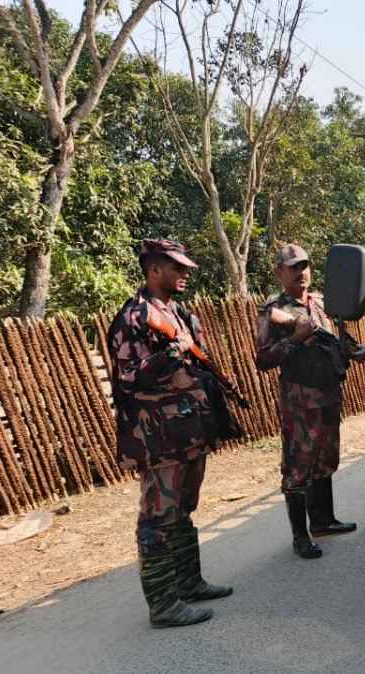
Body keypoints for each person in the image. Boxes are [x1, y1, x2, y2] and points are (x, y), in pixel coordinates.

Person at [107, 239, 233, 628]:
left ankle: (189, 584)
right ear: (154, 269)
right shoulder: (134, 317)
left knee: (182, 510)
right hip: (158, 437)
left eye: (185, 268)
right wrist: (174, 351)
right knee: (157, 517)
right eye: (176, 267)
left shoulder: (178, 313)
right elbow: (129, 380)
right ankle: (163, 605)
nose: (184, 274)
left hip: (187, 430)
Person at [255, 244, 357, 560]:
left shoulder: (322, 303)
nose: (301, 272)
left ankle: (323, 521)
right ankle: (300, 536)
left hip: (328, 394)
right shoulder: (273, 310)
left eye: (304, 266)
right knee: (298, 467)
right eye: (293, 267)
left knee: (326, 458)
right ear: (279, 273)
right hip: (299, 402)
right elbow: (263, 359)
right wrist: (296, 339)